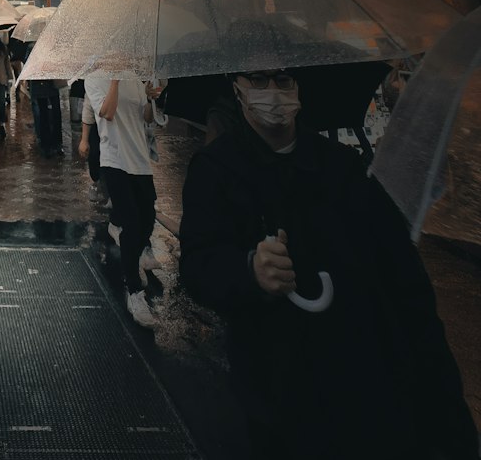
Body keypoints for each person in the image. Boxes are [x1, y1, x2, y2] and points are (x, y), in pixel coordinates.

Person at [179, 68, 477, 460]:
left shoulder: (343, 167)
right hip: (277, 388)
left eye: (284, 80)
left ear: (299, 87)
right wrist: (248, 270)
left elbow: (404, 284)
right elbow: (199, 266)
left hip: (360, 379)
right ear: (237, 89)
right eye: (259, 80)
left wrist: (444, 403)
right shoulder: (216, 170)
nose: (273, 92)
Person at [83, 75, 164, 328]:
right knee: (131, 222)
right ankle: (134, 292)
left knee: (147, 221)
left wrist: (151, 97)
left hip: (140, 160)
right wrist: (115, 81)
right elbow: (106, 113)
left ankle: (129, 250)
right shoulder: (94, 80)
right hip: (114, 159)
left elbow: (147, 118)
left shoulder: (136, 79)